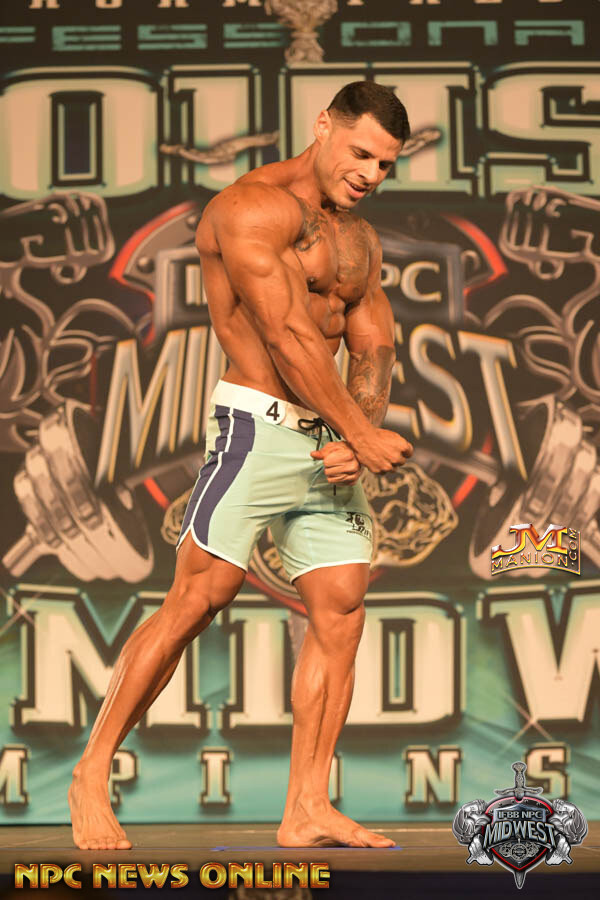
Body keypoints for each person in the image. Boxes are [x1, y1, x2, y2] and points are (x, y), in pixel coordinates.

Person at [69, 81, 414, 850]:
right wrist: (360, 432)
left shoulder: (358, 238)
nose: (370, 174)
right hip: (256, 429)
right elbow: (287, 333)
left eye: (386, 165)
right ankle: (91, 770)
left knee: (342, 609)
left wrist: (354, 430)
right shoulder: (249, 208)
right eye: (361, 154)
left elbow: (373, 342)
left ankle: (307, 806)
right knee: (199, 597)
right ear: (322, 126)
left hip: (327, 442)